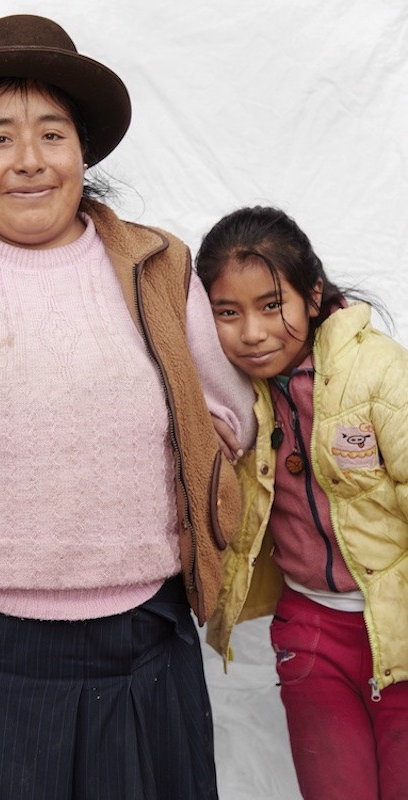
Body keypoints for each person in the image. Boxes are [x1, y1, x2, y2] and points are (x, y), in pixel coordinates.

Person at [0, 15, 256, 800]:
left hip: (139, 653)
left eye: (52, 134)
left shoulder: (158, 266)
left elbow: (228, 413)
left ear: (84, 152)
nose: (29, 162)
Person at [196, 205, 408, 800]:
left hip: (400, 627)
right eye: (227, 313)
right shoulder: (227, 394)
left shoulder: (378, 373)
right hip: (311, 630)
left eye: (272, 304)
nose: (253, 332)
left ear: (313, 295)